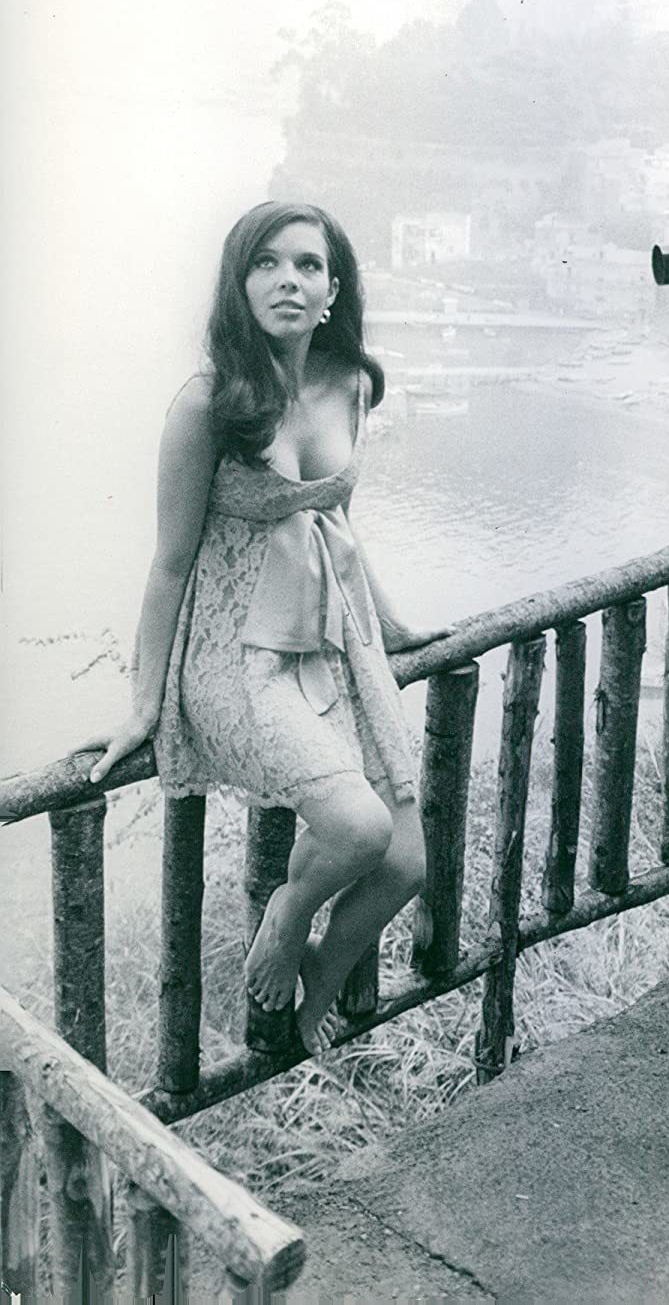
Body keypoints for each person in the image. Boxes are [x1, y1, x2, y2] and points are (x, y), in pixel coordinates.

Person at [79, 201, 449, 1056]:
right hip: (236, 659)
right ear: (238, 284)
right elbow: (170, 564)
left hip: (338, 642)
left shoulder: (350, 383)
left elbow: (336, 523)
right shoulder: (207, 403)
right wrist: (144, 703)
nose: (289, 281)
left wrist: (391, 626)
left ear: (333, 289)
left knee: (404, 864)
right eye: (267, 264)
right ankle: (286, 916)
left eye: (309, 265)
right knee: (359, 829)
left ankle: (317, 983)